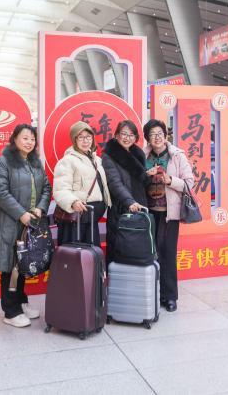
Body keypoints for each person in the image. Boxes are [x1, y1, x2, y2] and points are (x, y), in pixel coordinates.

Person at [0, 124, 51, 328]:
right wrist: (21, 214)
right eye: (25, 138)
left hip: (30, 223)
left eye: (32, 139)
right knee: (11, 267)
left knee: (24, 262)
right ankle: (11, 311)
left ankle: (21, 302)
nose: (29, 142)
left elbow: (46, 187)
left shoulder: (35, 162)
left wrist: (40, 208)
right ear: (14, 139)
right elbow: (1, 193)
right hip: (10, 223)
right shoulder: (3, 161)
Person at [143, 119, 194, 312]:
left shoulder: (177, 155)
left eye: (159, 133)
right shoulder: (142, 155)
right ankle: (152, 294)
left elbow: (189, 183)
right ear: (147, 138)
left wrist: (170, 180)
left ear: (165, 135)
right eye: (152, 134)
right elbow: (134, 181)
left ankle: (170, 296)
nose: (156, 137)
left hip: (169, 214)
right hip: (148, 214)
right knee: (150, 253)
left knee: (168, 253)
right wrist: (145, 176)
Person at [101, 120, 156, 263]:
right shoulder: (109, 156)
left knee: (137, 248)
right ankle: (116, 276)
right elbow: (115, 183)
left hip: (140, 207)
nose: (127, 138)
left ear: (136, 137)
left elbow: (140, 182)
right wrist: (129, 201)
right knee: (119, 248)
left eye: (131, 135)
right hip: (121, 208)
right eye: (124, 134)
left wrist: (148, 175)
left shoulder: (137, 154)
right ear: (116, 135)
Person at [53, 121, 111, 248]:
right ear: (74, 140)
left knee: (91, 254)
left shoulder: (97, 160)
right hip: (75, 219)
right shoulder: (67, 161)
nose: (85, 141)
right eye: (81, 137)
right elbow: (60, 189)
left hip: (91, 218)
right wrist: (73, 202)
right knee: (74, 255)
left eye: (88, 137)